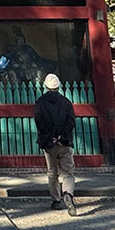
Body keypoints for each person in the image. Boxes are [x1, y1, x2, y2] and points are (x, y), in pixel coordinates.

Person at [34, 73, 76, 215]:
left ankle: (56, 200)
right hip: (64, 142)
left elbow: (40, 122)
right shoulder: (66, 102)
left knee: (53, 173)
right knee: (68, 172)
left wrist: (50, 137)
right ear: (58, 86)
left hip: (49, 143)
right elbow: (70, 122)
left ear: (45, 86)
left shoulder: (41, 102)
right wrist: (60, 136)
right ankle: (68, 194)